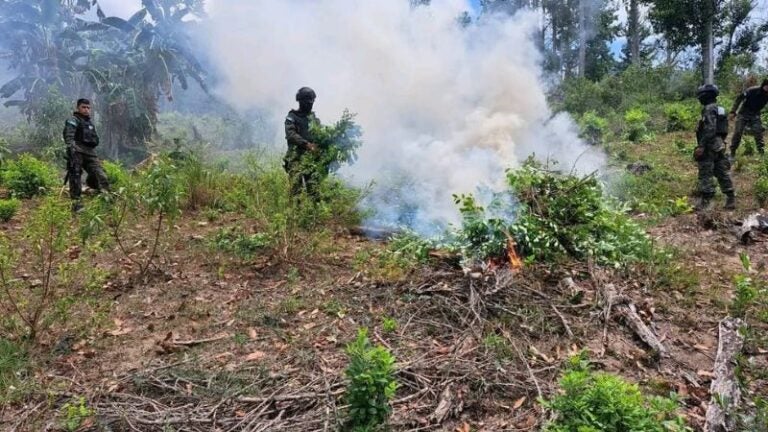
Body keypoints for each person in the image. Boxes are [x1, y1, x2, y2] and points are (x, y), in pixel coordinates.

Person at [694, 84, 735, 211]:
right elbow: (723, 128)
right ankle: (730, 198)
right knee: (721, 171)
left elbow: (710, 128)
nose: (699, 98)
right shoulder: (720, 108)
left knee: (705, 172)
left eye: (701, 95)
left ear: (706, 96)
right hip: (719, 144)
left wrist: (701, 145)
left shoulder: (708, 108)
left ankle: (706, 202)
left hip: (709, 144)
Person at [63, 98, 109, 212]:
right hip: (77, 151)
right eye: (83, 107)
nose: (86, 110)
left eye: (88, 108)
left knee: (101, 175)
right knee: (75, 177)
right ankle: (76, 204)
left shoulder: (89, 123)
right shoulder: (73, 120)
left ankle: (106, 199)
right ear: (78, 108)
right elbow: (69, 136)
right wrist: (71, 148)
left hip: (90, 153)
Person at [283, 87, 324, 199]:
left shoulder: (314, 120)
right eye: (307, 100)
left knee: (314, 192)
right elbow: (291, 135)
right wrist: (307, 145)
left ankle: (313, 215)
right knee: (297, 191)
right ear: (300, 101)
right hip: (295, 158)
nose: (310, 104)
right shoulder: (292, 117)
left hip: (311, 160)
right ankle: (295, 215)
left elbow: (320, 138)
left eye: (312, 101)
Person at [729, 78, 768, 158]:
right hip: (744, 113)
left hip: (755, 114)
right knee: (738, 132)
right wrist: (733, 111)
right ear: (764, 85)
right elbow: (739, 98)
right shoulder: (752, 90)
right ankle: (732, 152)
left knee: (758, 132)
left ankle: (761, 153)